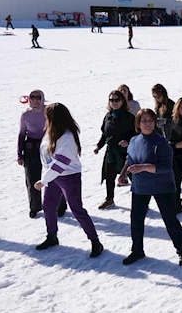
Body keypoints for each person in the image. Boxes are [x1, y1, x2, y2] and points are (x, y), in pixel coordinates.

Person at [118, 109, 182, 266]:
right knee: (136, 220)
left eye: (150, 120)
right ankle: (137, 250)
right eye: (144, 120)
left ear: (155, 122)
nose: (147, 123)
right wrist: (123, 174)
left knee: (170, 220)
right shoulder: (134, 141)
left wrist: (144, 167)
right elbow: (129, 159)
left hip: (163, 186)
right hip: (140, 186)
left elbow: (166, 167)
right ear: (138, 123)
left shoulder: (161, 142)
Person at [34, 103, 104, 257]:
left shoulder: (67, 137)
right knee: (48, 207)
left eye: (47, 116)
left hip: (68, 178)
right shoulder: (51, 132)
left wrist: (43, 181)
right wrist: (46, 177)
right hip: (53, 177)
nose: (45, 119)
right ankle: (52, 236)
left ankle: (95, 242)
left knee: (77, 209)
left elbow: (60, 164)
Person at [18, 90, 65, 218]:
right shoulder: (25, 115)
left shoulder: (48, 111)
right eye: (32, 97)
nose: (35, 100)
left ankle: (60, 206)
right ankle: (35, 207)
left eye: (38, 97)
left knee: (54, 176)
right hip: (31, 149)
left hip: (48, 147)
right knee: (32, 179)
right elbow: (22, 134)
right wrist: (19, 154)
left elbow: (57, 128)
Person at [94, 90, 136, 209]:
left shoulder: (129, 117)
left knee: (133, 177)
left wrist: (127, 142)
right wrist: (99, 146)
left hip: (126, 154)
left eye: (117, 100)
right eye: (111, 100)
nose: (114, 103)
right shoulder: (108, 116)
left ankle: (141, 199)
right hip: (111, 152)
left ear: (123, 101)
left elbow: (136, 134)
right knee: (109, 176)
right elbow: (105, 134)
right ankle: (109, 199)